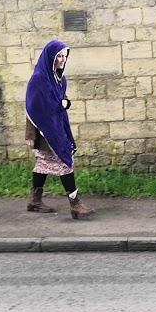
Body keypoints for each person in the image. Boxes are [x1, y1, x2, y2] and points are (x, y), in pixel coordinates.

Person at [25, 39, 95, 220]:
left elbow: (60, 101)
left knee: (42, 164)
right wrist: (30, 134)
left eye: (64, 56)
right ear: (51, 57)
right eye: (59, 56)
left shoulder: (59, 79)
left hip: (58, 125)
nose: (63, 60)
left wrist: (65, 103)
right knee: (65, 162)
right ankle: (75, 204)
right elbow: (32, 107)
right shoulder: (39, 79)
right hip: (46, 131)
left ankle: (34, 200)